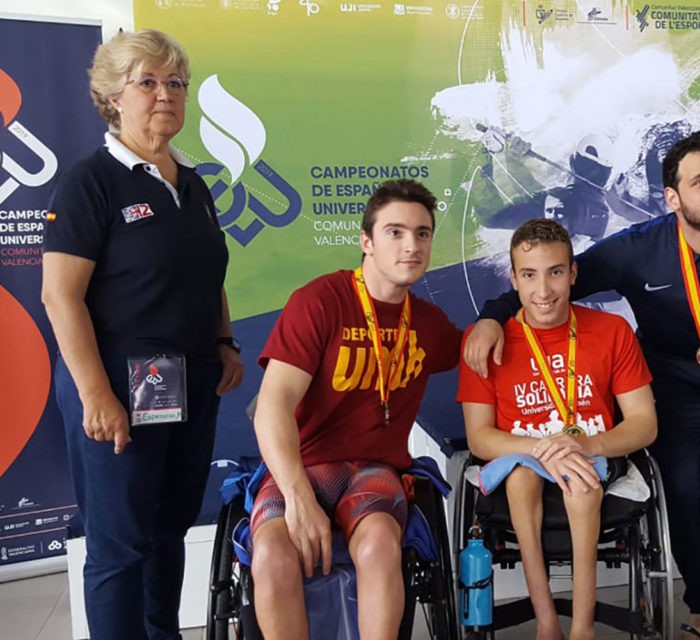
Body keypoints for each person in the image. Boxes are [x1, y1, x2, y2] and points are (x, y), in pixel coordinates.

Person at [465, 131, 700, 640]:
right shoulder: (638, 248)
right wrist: (490, 317)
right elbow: (552, 281)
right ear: (672, 197)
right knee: (680, 493)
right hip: (670, 385)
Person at [41, 30, 244, 639]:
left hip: (187, 384)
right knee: (120, 545)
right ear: (113, 97)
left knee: (168, 530)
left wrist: (225, 340)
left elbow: (208, 273)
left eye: (176, 83)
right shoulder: (90, 183)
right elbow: (60, 296)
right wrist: (97, 395)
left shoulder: (193, 182)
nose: (166, 95)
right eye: (148, 82)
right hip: (116, 389)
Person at [250, 179, 462, 640]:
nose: (412, 245)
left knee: (381, 546)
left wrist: (489, 326)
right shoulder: (321, 301)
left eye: (423, 233)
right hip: (301, 466)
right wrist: (298, 496)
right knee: (270, 554)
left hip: (374, 469)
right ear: (366, 241)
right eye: (395, 232)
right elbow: (272, 405)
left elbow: (478, 352)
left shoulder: (428, 324)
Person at [457, 218, 657, 640]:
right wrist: (545, 447)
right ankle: (546, 622)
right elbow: (479, 437)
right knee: (521, 477)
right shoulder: (486, 342)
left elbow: (644, 423)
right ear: (513, 279)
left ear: (573, 273)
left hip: (592, 454)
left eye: (555, 273)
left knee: (581, 485)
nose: (543, 291)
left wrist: (583, 445)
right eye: (529, 275)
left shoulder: (611, 331)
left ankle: (582, 628)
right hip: (521, 456)